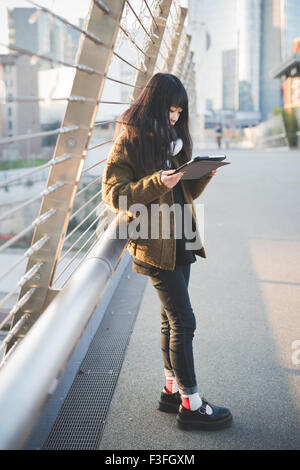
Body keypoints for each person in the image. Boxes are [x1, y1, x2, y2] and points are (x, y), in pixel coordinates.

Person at [101, 73, 232, 431]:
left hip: (179, 238)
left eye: (179, 111)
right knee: (184, 321)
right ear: (155, 104)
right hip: (152, 243)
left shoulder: (172, 140)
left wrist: (201, 175)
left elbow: (181, 194)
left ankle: (171, 390)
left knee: (169, 319)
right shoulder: (129, 137)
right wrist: (157, 181)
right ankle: (191, 404)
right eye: (171, 109)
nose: (175, 116)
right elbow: (114, 194)